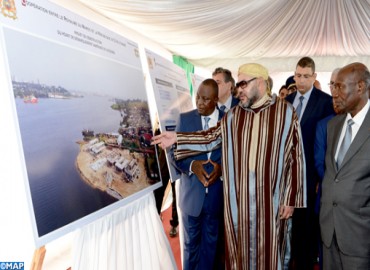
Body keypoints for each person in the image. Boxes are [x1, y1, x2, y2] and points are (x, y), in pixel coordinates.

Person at [152, 63, 306, 270]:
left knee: (269, 252)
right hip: (238, 203)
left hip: (271, 199)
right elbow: (210, 137)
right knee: (239, 253)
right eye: (237, 85)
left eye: (243, 84)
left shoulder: (286, 112)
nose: (238, 90)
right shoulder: (234, 115)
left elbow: (295, 156)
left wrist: (291, 198)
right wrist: (177, 137)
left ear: (260, 82)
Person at [285, 57, 335, 270]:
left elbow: (328, 143)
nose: (301, 80)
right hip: (287, 176)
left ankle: (305, 263)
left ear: (314, 77)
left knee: (307, 227)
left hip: (311, 177)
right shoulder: (286, 101)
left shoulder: (325, 102)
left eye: (306, 76)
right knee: (290, 228)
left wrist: (321, 177)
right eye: (298, 75)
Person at [320, 62, 370, 270]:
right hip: (329, 234)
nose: (335, 92)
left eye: (340, 86)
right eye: (334, 86)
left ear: (360, 87)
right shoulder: (333, 125)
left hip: (360, 236)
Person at [175, 79, 225, 270]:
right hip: (191, 198)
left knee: (211, 248)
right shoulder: (185, 119)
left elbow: (234, 157)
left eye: (205, 99)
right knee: (190, 247)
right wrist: (192, 165)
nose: (200, 102)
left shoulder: (227, 121)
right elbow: (174, 155)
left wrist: (222, 170)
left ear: (215, 100)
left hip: (215, 198)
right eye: (197, 97)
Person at [313, 67, 341, 270]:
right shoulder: (324, 125)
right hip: (327, 201)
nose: (335, 92)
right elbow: (319, 162)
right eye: (332, 85)